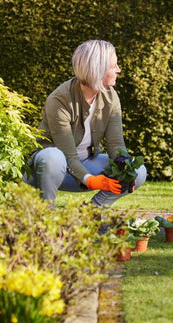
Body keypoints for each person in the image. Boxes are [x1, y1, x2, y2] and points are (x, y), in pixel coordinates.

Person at [23, 40, 147, 206]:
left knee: (138, 170)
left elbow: (116, 145)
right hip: (48, 170)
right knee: (53, 157)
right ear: (98, 70)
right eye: (113, 66)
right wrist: (92, 180)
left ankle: (90, 213)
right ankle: (45, 218)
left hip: (86, 163)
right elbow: (68, 155)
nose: (118, 70)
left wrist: (126, 172)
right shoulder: (60, 99)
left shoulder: (110, 96)